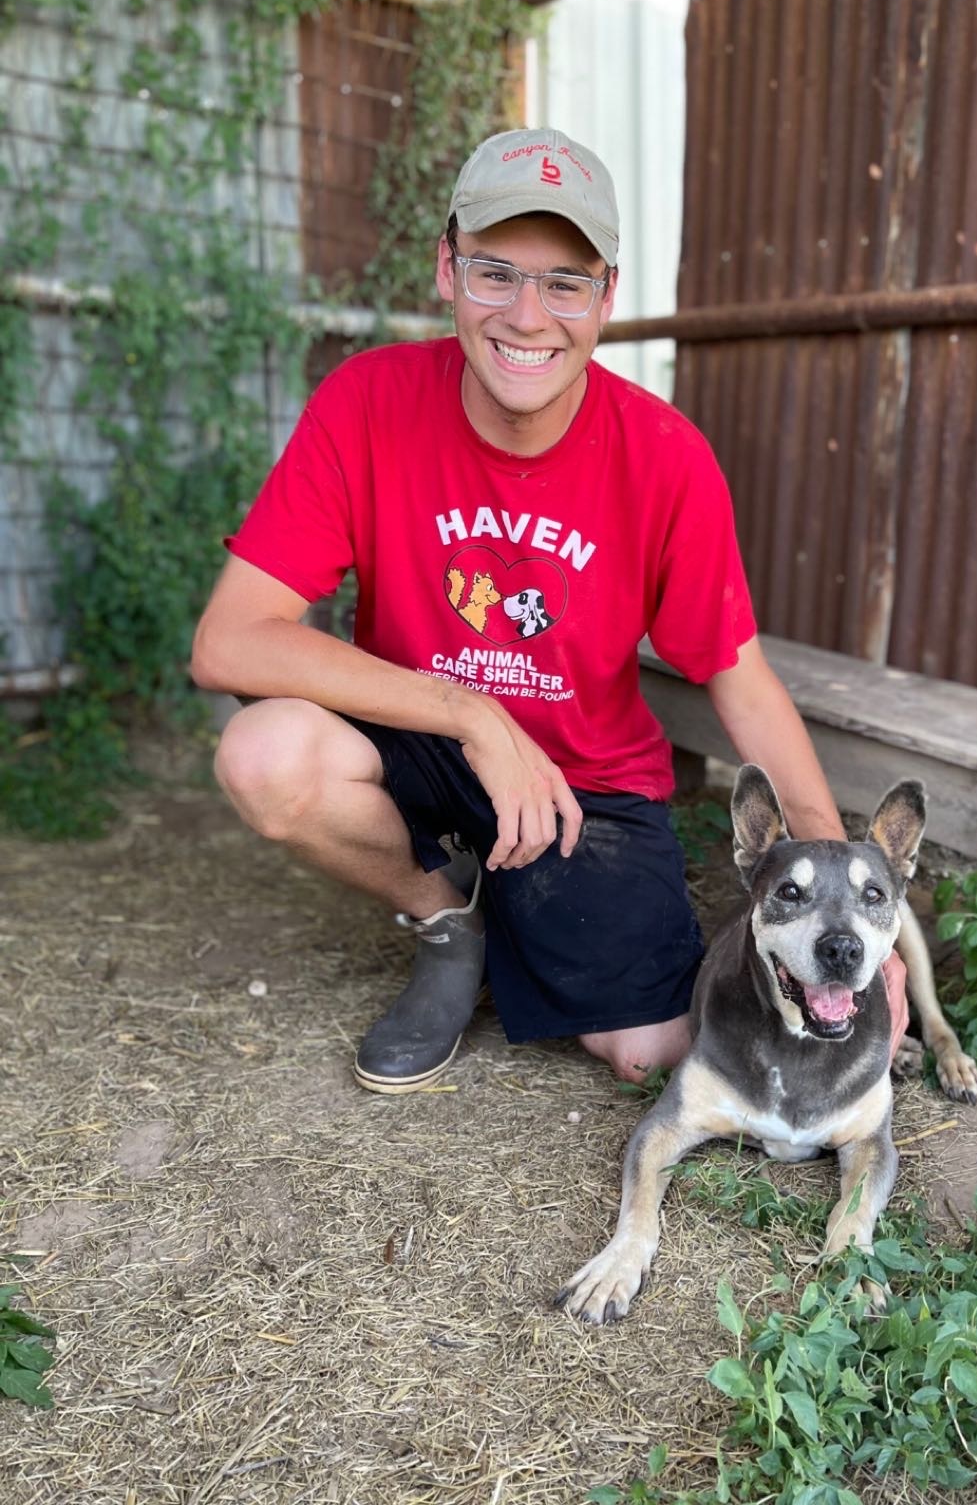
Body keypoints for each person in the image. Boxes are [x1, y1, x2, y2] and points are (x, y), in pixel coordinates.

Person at [191, 126, 908, 1094]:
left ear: (606, 297)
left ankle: (525, 899)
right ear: (447, 269)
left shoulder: (666, 457)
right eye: (496, 272)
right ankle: (451, 921)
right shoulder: (367, 403)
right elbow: (229, 640)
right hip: (422, 736)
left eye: (564, 282)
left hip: (587, 782)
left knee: (651, 1051)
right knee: (263, 756)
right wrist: (469, 713)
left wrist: (841, 905)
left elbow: (738, 679)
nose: (527, 316)